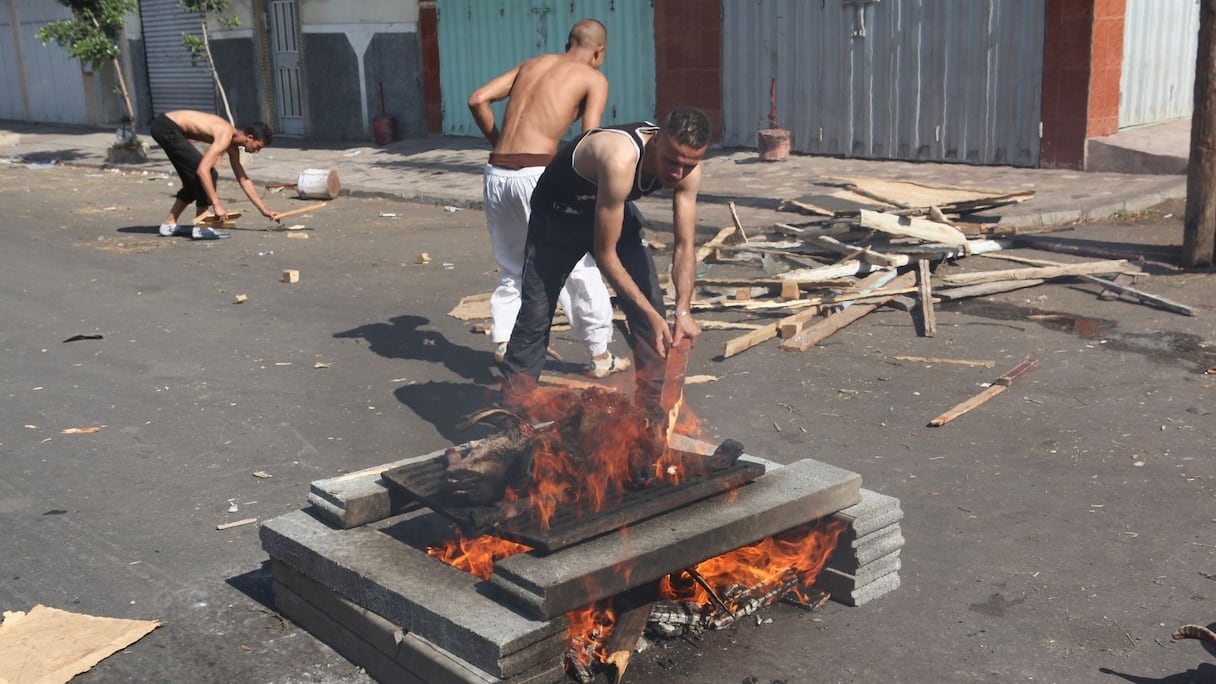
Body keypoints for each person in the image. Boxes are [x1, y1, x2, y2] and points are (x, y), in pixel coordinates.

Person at [501, 107, 711, 415]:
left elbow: (684, 247)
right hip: (559, 214)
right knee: (536, 314)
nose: (678, 173)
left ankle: (651, 417)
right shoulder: (620, 158)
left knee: (654, 314)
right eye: (671, 162)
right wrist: (653, 316)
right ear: (656, 141)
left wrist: (682, 310)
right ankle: (513, 414)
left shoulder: (688, 171)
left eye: (688, 165)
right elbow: (606, 255)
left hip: (613, 210)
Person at [467, 18, 630, 378]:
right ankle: (600, 355)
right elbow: (589, 139)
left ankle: (506, 341)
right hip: (537, 174)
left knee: (513, 264)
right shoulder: (593, 78)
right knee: (577, 263)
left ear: (568, 42)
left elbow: (477, 99)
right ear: (598, 51)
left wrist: (501, 145)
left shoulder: (532, 65)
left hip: (497, 173)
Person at [149, 110, 281, 240]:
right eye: (257, 147)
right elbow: (203, 170)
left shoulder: (233, 146)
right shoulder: (225, 134)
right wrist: (216, 204)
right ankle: (202, 226)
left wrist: (264, 210)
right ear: (250, 138)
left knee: (193, 182)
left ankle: (169, 224)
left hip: (165, 127)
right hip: (166, 127)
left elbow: (243, 180)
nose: (257, 152)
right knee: (209, 174)